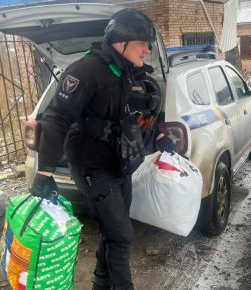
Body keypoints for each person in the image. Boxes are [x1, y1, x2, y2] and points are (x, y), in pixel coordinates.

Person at [30, 8, 172, 290]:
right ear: (121, 42)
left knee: (112, 232)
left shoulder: (128, 72)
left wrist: (158, 136)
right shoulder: (86, 70)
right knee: (121, 236)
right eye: (142, 43)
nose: (148, 49)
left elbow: (134, 116)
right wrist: (44, 171)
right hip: (92, 165)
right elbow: (56, 119)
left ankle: (100, 284)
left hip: (119, 164)